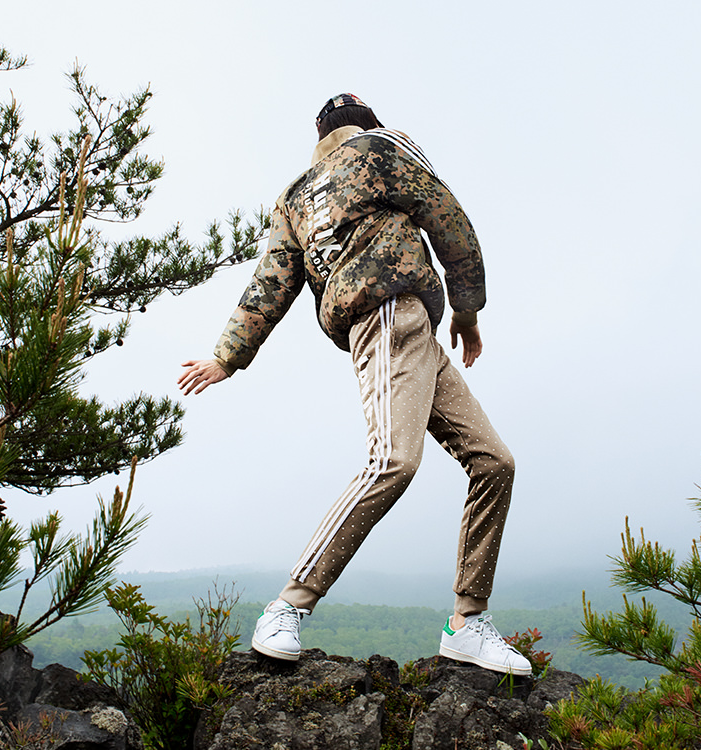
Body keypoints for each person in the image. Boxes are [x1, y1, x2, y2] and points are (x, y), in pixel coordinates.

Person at [178, 94, 530, 676]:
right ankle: (289, 604)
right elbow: (449, 220)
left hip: (408, 332)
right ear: (368, 124)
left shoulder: (294, 198)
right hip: (392, 315)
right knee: (392, 461)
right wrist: (468, 309)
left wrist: (226, 357)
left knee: (494, 461)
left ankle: (468, 623)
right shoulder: (385, 147)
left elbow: (270, 283)